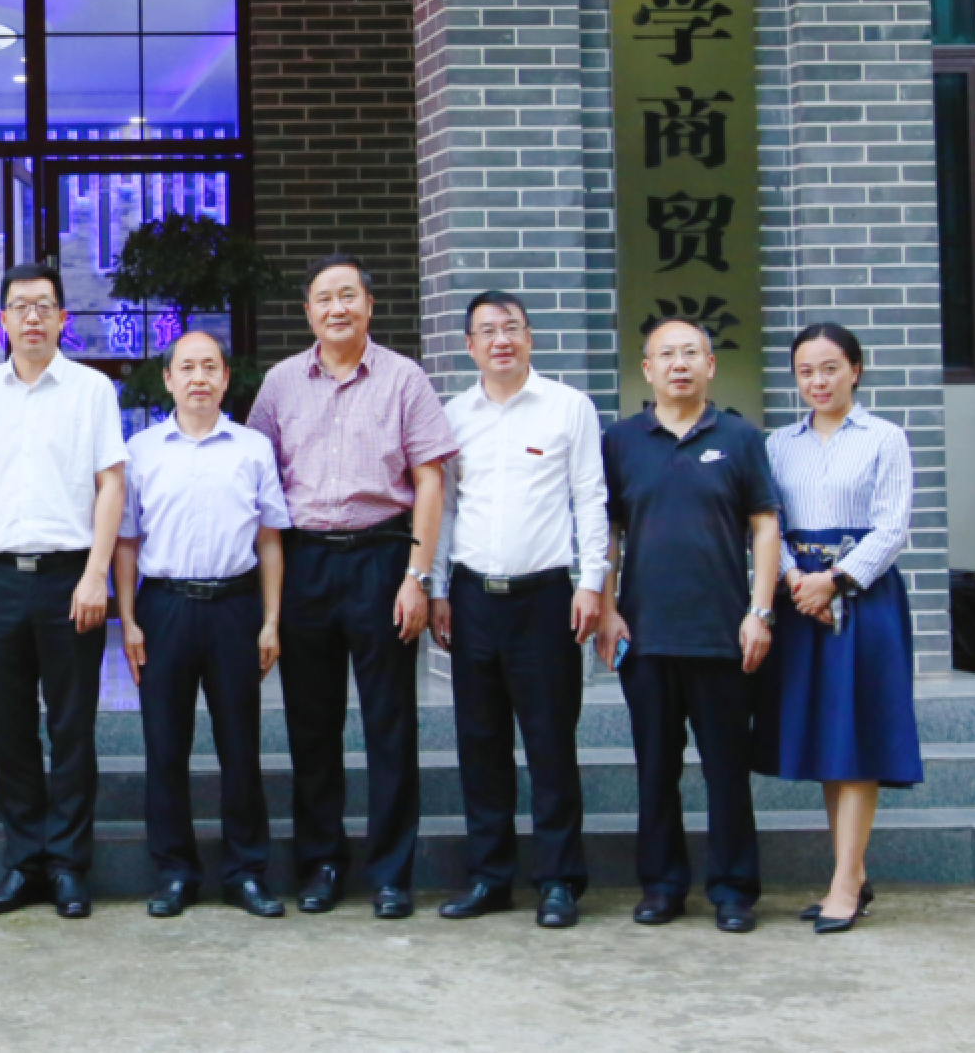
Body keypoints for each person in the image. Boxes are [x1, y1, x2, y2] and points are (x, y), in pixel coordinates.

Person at [245, 255, 454, 919]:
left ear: (369, 304)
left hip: (382, 560)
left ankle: (391, 873)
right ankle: (322, 863)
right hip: (305, 563)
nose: (336, 308)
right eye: (324, 298)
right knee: (311, 725)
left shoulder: (404, 377)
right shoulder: (280, 383)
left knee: (390, 724)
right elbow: (255, 476)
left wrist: (418, 575)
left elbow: (430, 480)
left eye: (348, 296)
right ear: (308, 311)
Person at [425, 291, 608, 930]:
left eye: (511, 329)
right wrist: (438, 588)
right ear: (469, 346)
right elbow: (445, 507)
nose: (500, 340)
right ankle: (489, 877)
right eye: (487, 332)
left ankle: (558, 881)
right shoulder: (453, 416)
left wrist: (592, 582)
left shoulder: (568, 407)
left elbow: (590, 498)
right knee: (480, 744)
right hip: (473, 597)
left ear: (529, 338)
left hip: (546, 598)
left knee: (550, 744)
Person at [597, 313, 782, 934]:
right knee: (656, 769)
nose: (679, 364)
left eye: (691, 353)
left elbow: (764, 526)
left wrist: (760, 612)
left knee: (726, 770)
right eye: (666, 354)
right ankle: (662, 886)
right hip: (646, 634)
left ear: (710, 365)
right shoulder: (620, 442)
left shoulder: (740, 437)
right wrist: (606, 608)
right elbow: (608, 532)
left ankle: (733, 890)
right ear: (647, 369)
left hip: (723, 634)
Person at [0, 261, 126, 919]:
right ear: (2, 319)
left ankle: (69, 866)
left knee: (71, 726)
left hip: (69, 577)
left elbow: (111, 484)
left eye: (44, 305)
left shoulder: (91, 390)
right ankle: (24, 861)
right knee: (10, 727)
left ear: (62, 318)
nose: (32, 316)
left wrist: (96, 574)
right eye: (20, 305)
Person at [113, 330, 289, 919]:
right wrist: (128, 619)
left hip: (235, 607)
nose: (198, 378)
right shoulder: (141, 451)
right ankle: (175, 872)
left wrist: (270, 620)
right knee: (165, 746)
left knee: (240, 744)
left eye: (209, 367)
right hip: (163, 608)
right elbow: (126, 541)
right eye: (186, 367)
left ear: (225, 377)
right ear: (168, 379)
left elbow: (270, 540)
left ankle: (246, 871)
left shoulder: (253, 448)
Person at [757, 322, 922, 935]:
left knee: (858, 740)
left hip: (863, 600)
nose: (818, 381)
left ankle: (845, 884)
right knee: (831, 740)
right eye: (805, 371)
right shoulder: (778, 444)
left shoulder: (884, 438)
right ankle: (851, 871)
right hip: (800, 601)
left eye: (830, 368)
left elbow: (892, 526)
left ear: (855, 369)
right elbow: (767, 522)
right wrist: (797, 580)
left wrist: (835, 580)